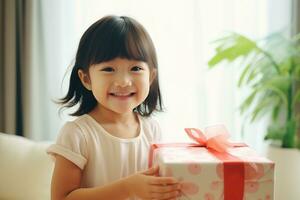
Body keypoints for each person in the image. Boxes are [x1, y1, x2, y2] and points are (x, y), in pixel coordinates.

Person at [47, 15, 182, 200]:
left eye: (135, 69)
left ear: (150, 77)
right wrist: (127, 188)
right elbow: (62, 197)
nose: (123, 82)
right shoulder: (77, 134)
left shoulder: (152, 130)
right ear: (86, 79)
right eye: (108, 69)